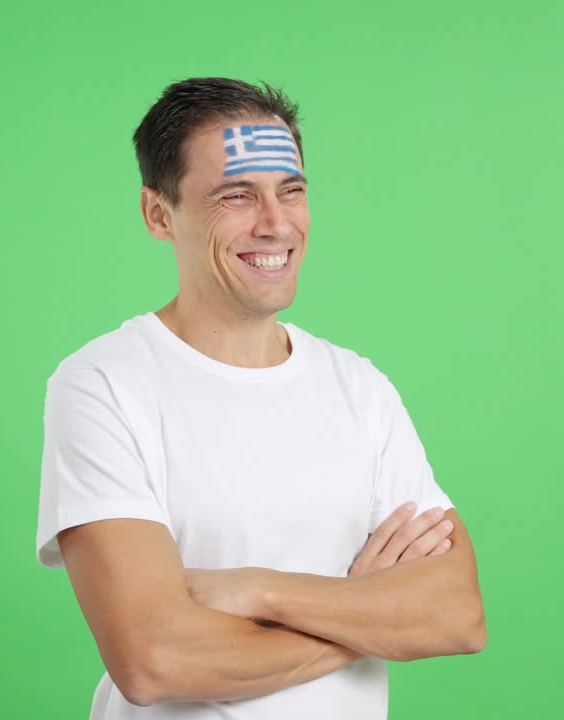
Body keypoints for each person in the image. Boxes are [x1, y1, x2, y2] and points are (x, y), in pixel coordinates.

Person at [35, 76, 486, 719]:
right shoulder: (105, 384)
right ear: (158, 214)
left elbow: (457, 615)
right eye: (236, 195)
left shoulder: (359, 388)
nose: (276, 224)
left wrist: (261, 591)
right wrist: (363, 615)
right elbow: (155, 661)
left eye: (292, 191)